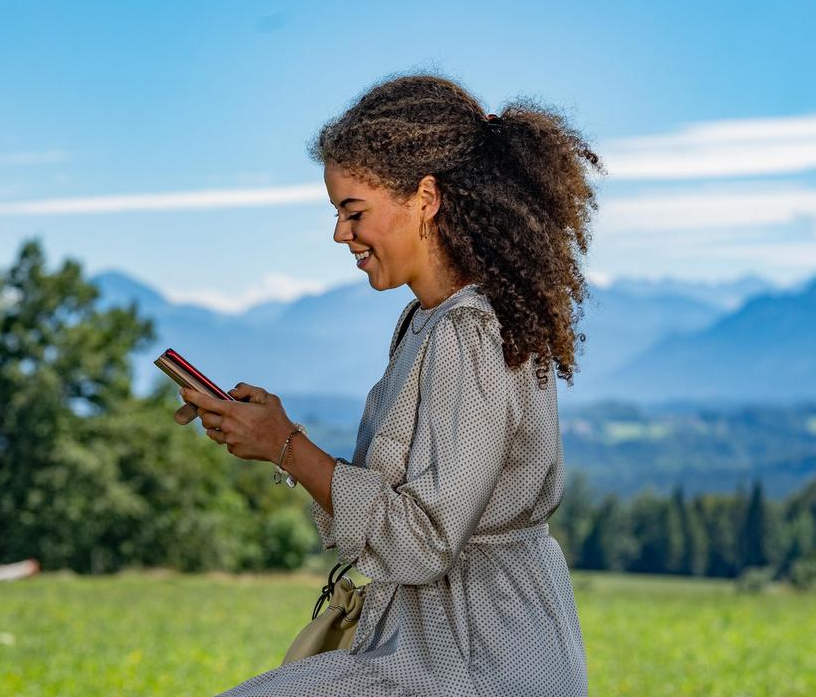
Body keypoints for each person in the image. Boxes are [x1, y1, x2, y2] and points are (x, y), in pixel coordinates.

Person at [176, 72, 602, 697]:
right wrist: (276, 438)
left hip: (477, 656)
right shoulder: (426, 320)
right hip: (439, 642)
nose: (341, 234)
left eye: (354, 211)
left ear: (424, 198)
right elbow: (399, 503)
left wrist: (286, 445)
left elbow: (426, 539)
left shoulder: (470, 332)